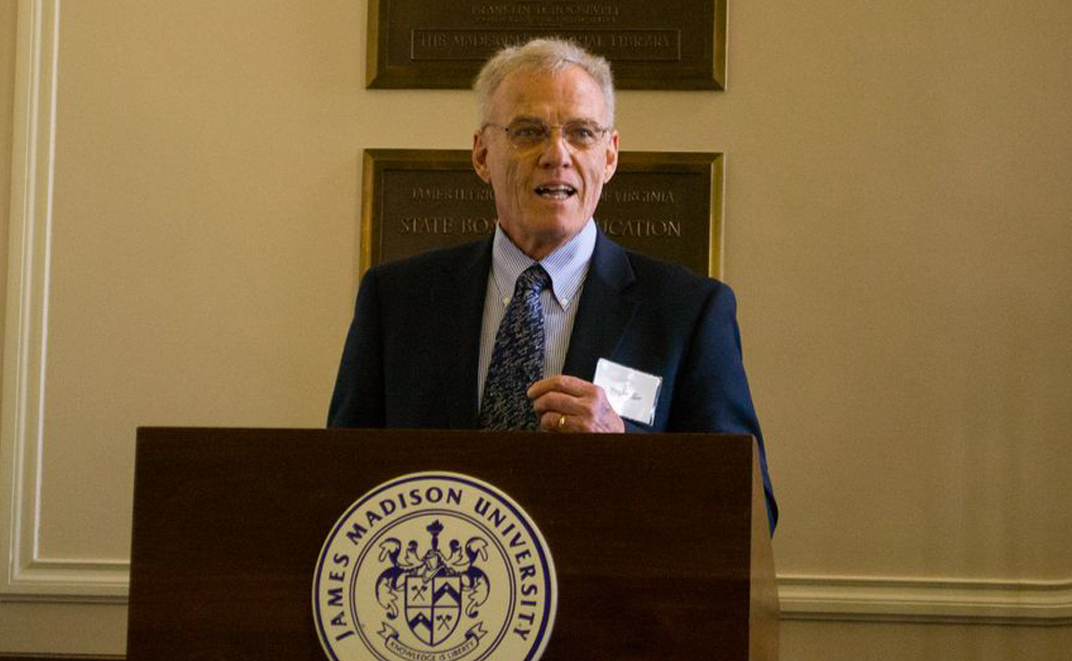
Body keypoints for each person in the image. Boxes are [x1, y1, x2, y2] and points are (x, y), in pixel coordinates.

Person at [328, 38, 777, 531]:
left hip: (612, 602)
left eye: (581, 133)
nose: (556, 155)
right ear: (481, 154)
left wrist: (627, 457)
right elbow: (337, 487)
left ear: (609, 157)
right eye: (528, 131)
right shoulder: (396, 301)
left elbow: (750, 513)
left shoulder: (688, 312)